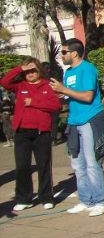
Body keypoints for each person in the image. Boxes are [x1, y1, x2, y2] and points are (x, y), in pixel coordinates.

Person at [49, 38, 104, 217]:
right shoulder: (68, 72)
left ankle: (101, 201)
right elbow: (72, 96)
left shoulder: (88, 69)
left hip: (90, 119)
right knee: (77, 164)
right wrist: (60, 94)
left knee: (92, 163)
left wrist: (64, 90)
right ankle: (86, 199)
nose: (62, 55)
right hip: (74, 121)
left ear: (74, 53)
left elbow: (88, 96)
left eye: (64, 52)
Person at [1, 58, 61, 211]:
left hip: (41, 133)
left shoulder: (47, 86)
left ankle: (47, 197)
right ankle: (23, 198)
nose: (30, 74)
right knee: (22, 166)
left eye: (33, 70)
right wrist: (20, 68)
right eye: (27, 71)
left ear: (39, 70)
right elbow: (4, 82)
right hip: (22, 133)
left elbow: (55, 105)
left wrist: (34, 101)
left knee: (43, 166)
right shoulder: (20, 86)